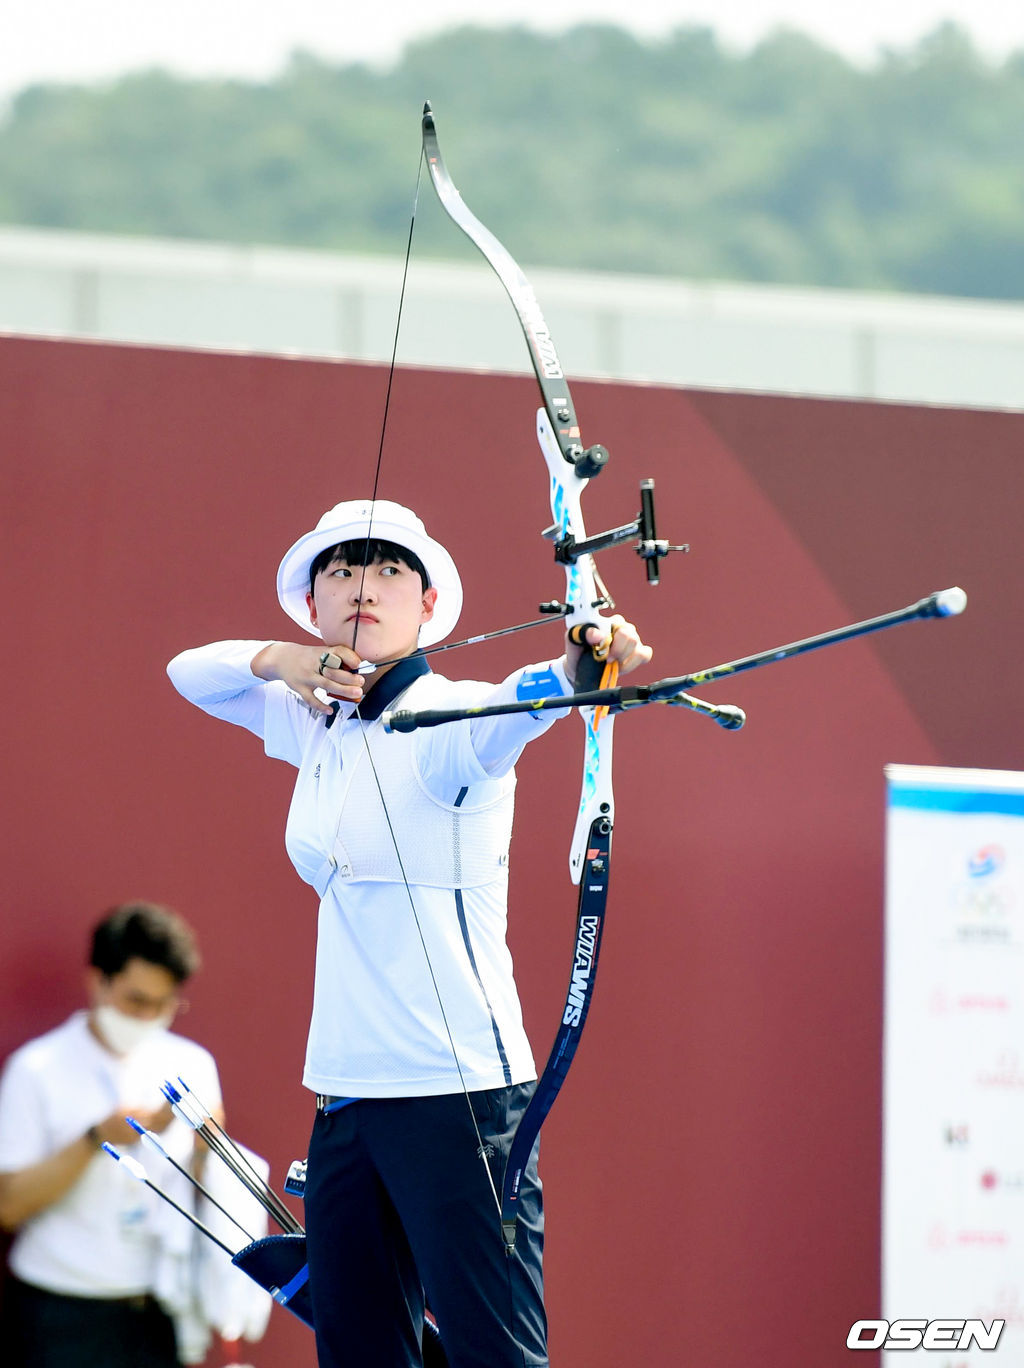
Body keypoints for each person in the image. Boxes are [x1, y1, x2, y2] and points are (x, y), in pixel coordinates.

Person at [165, 498, 651, 1368]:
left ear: (428, 605)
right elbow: (187, 671)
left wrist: (585, 663)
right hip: (347, 1095)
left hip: (460, 1095)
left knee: (492, 1354)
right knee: (361, 1353)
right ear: (311, 604)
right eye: (342, 569)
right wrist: (282, 660)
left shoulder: (448, 720)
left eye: (390, 569)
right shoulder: (311, 719)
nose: (364, 586)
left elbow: (526, 698)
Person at [0, 901, 222, 1368]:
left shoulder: (192, 1065)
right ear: (98, 980)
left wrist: (210, 1148)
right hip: (62, 1310)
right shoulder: (36, 1069)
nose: (148, 1017)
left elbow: (212, 1196)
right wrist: (95, 1139)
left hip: (158, 1307)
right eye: (136, 1000)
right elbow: (8, 1206)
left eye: (164, 1004)